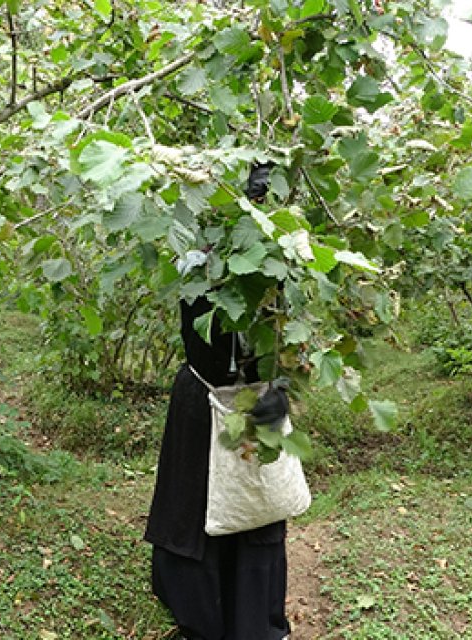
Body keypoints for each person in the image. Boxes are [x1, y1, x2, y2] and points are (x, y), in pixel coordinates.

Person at [143, 164, 291, 640]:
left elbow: (290, 337)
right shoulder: (196, 256)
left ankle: (256, 626)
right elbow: (200, 333)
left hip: (259, 397)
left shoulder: (283, 260)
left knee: (256, 508)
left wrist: (282, 388)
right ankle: (200, 623)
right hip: (203, 396)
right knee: (197, 506)